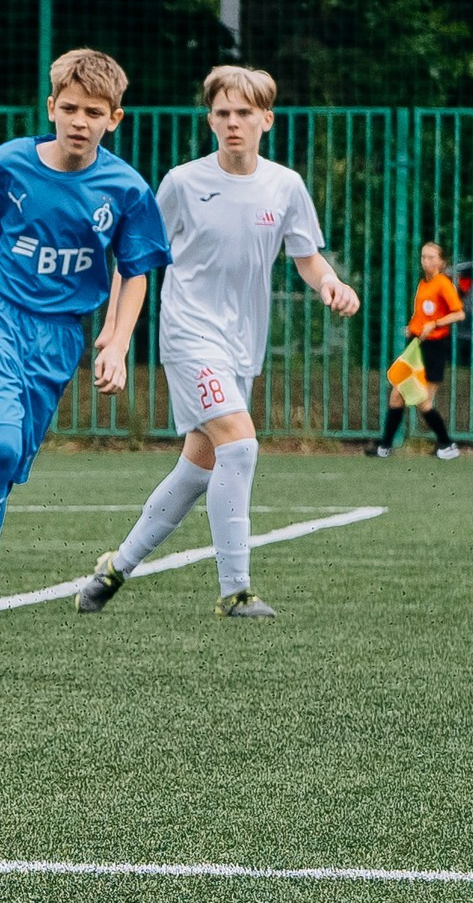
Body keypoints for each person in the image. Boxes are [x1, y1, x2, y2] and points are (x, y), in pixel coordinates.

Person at [0, 48, 169, 676]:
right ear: (51, 107)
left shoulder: (125, 188)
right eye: (68, 108)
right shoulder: (8, 164)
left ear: (114, 119)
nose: (79, 120)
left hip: (59, 340)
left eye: (93, 112)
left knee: (4, 465)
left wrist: (118, 340)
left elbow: (136, 271)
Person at [75, 66, 359, 619]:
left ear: (266, 121)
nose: (233, 123)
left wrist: (331, 283)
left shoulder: (286, 185)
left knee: (198, 467)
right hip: (187, 334)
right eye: (223, 113)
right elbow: (136, 257)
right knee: (241, 444)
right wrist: (115, 335)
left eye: (245, 114)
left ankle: (116, 566)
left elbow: (306, 257)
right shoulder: (182, 183)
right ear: (210, 120)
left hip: (240, 344)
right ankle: (236, 590)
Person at [373, 242, 464, 459]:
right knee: (397, 395)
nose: (426, 261)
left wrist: (435, 324)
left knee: (423, 402)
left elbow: (458, 314)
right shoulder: (424, 284)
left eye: (432, 257)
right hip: (417, 346)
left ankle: (447, 444)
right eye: (424, 257)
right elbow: (423, 316)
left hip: (434, 349)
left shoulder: (443, 284)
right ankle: (384, 447)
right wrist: (412, 328)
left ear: (442, 262)